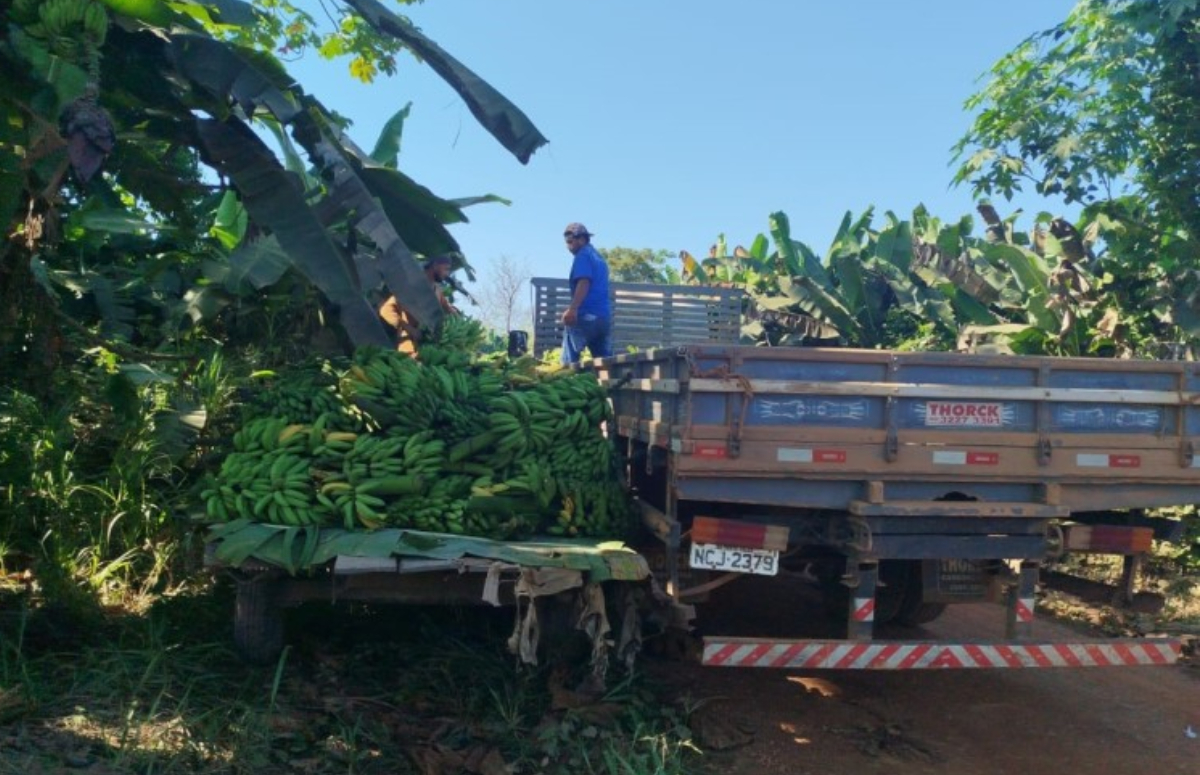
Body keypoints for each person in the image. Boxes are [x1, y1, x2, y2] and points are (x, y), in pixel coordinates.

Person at [378, 255, 460, 353]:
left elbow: (446, 307)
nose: (447, 274)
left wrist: (454, 313)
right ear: (435, 265)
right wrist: (409, 328)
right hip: (408, 348)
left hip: (428, 349)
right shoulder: (413, 286)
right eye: (446, 269)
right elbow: (385, 310)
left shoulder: (437, 289)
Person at [560, 222, 612, 364]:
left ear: (582, 239)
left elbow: (584, 282)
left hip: (586, 316)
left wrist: (573, 309)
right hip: (603, 318)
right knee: (605, 364)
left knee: (569, 363)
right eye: (567, 242)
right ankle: (609, 385)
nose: (568, 246)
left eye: (571, 242)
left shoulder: (583, 255)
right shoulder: (599, 258)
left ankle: (566, 382)